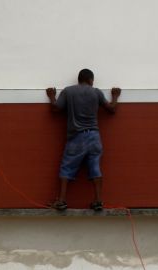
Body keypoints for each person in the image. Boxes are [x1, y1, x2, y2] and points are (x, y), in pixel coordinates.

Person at [45, 69, 122, 212]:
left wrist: (52, 96)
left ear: (79, 79)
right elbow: (111, 109)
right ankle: (98, 201)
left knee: (66, 167)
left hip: (76, 137)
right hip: (94, 136)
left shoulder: (68, 91)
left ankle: (61, 201)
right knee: (95, 167)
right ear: (91, 79)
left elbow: (55, 109)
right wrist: (115, 96)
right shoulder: (96, 92)